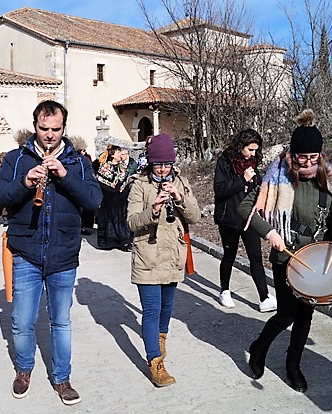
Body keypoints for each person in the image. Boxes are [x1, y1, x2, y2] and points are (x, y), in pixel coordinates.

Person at [0, 100, 102, 405]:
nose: (49, 135)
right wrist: (25, 183)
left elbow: (93, 199)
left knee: (61, 321)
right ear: (34, 126)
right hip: (25, 252)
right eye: (43, 128)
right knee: (22, 321)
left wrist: (65, 175)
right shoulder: (15, 159)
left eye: (56, 129)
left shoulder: (78, 162)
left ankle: (62, 378)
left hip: (63, 254)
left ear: (64, 128)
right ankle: (24, 369)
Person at [238, 109, 332, 393]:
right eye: (303, 157)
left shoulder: (328, 176)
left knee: (306, 315)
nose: (309, 163)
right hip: (286, 253)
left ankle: (293, 364)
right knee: (287, 313)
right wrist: (270, 231)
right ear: (293, 153)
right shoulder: (277, 176)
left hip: (316, 256)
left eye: (314, 157)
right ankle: (260, 347)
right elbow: (245, 208)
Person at [126, 133, 201, 387]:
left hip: (172, 256)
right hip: (148, 256)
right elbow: (132, 222)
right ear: (150, 162)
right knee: (151, 310)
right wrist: (154, 209)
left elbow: (195, 217)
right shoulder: (139, 185)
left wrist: (179, 198)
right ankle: (155, 362)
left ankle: (160, 339)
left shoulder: (180, 181)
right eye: (158, 164)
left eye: (166, 164)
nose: (162, 169)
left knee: (167, 309)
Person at [213, 129, 275, 312]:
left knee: (255, 256)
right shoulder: (224, 162)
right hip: (229, 218)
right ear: (241, 146)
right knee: (229, 255)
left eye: (256, 150)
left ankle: (264, 297)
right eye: (250, 149)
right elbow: (220, 191)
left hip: (249, 217)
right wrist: (242, 179)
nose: (253, 154)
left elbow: (259, 186)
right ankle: (224, 291)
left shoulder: (253, 162)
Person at [95, 145, 133, 250]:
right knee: (109, 218)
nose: (120, 155)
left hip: (121, 197)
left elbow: (124, 179)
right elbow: (108, 183)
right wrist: (119, 179)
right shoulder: (105, 167)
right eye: (118, 152)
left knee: (121, 218)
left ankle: (124, 241)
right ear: (112, 154)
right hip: (108, 197)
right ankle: (109, 241)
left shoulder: (122, 166)